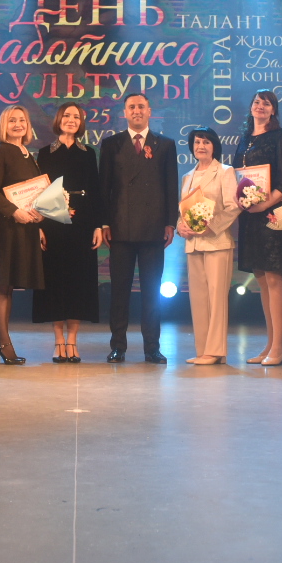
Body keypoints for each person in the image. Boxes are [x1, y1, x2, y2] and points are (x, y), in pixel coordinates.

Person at [99, 92, 180, 363]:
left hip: (153, 228)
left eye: (141, 107)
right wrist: (105, 222)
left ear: (149, 111)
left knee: (152, 292)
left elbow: (170, 186)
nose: (136, 111)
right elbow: (104, 188)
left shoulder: (165, 144)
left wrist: (170, 222)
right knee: (119, 291)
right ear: (124, 112)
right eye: (131, 107)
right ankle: (118, 346)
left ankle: (152, 347)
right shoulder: (111, 144)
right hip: (120, 228)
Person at [230, 91, 282, 366]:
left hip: (272, 215)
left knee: (273, 277)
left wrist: (265, 205)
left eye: (266, 103)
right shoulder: (244, 139)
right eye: (256, 102)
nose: (260, 106)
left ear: (273, 110)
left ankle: (279, 348)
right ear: (251, 107)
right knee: (260, 278)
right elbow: (238, 177)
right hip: (249, 216)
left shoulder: (281, 137)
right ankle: (270, 345)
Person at [32, 102, 104, 364]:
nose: (71, 120)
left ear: (81, 122)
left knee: (79, 281)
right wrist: (39, 226)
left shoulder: (89, 153)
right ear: (58, 120)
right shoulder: (44, 153)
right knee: (55, 281)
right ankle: (58, 341)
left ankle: (72, 340)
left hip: (82, 224)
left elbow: (95, 192)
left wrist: (97, 226)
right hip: (52, 223)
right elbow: (37, 192)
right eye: (66, 115)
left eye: (76, 116)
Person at [0, 104, 48, 364]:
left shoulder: (29, 155)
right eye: (12, 120)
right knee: (1, 284)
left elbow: (35, 194)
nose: (18, 124)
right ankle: (3, 342)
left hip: (25, 228)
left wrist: (40, 219)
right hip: (4, 228)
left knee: (9, 286)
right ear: (4, 125)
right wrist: (13, 212)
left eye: (22, 120)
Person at [177, 128, 241, 365]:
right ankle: (203, 350)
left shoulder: (225, 171)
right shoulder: (188, 176)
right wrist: (180, 226)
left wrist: (210, 227)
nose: (201, 146)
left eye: (205, 142)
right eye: (197, 142)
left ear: (214, 146)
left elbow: (233, 207)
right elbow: (183, 209)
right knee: (199, 298)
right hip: (193, 244)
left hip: (217, 242)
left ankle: (215, 351)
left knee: (216, 297)